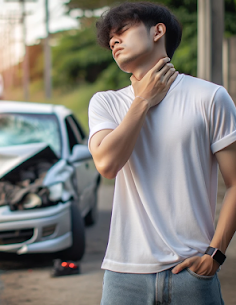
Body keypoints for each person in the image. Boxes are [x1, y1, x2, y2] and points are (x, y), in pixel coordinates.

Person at [89, 2, 236, 304]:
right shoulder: (106, 103)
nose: (113, 40)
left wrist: (215, 255)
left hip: (192, 274)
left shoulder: (209, 97)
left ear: (158, 31)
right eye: (110, 38)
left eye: (123, 30)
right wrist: (142, 100)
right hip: (124, 275)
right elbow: (107, 164)